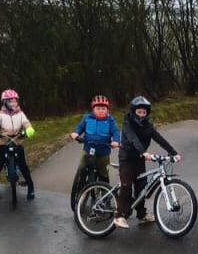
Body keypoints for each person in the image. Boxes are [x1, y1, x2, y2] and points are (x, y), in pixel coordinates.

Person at [114, 96, 181, 229]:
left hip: (139, 159)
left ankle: (141, 215)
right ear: (134, 112)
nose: (141, 115)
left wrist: (174, 153)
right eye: (139, 112)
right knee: (127, 186)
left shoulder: (147, 126)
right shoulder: (128, 124)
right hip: (127, 159)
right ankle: (119, 215)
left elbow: (160, 139)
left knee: (141, 187)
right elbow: (133, 139)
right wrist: (143, 152)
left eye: (144, 112)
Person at [0, 89, 35, 199]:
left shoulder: (20, 114)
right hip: (4, 141)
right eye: (10, 101)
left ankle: (31, 187)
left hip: (17, 141)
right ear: (5, 103)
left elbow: (26, 123)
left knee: (23, 165)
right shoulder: (0, 114)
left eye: (15, 101)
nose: (14, 103)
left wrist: (29, 129)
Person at [70, 94, 120, 184]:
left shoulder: (110, 120)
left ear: (107, 110)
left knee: (103, 171)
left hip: (103, 151)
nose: (101, 111)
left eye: (103, 109)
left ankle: (104, 189)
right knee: (82, 166)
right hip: (88, 148)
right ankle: (79, 185)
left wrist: (116, 141)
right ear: (93, 109)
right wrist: (76, 133)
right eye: (98, 108)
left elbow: (115, 131)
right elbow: (80, 127)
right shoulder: (87, 118)